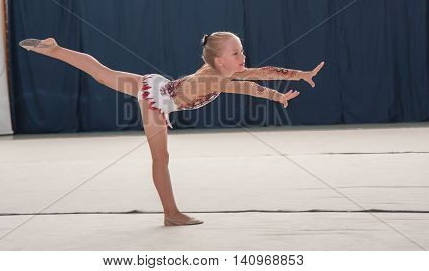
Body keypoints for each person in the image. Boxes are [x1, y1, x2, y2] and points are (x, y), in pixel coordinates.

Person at [19, 31, 324, 226]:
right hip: (158, 101)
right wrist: (295, 77)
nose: (243, 57)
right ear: (218, 61)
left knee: (103, 74)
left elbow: (251, 83)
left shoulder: (219, 74)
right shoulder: (215, 78)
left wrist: (281, 92)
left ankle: (55, 49)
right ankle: (171, 214)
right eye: (236, 53)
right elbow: (254, 81)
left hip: (157, 86)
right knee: (160, 159)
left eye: (241, 51)